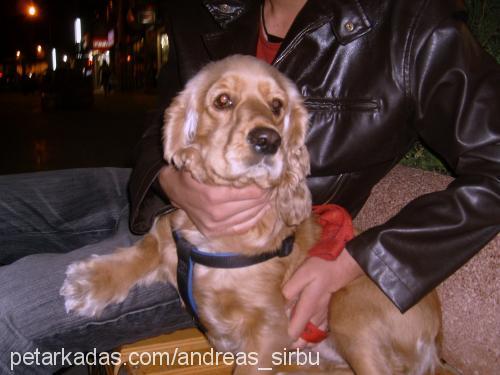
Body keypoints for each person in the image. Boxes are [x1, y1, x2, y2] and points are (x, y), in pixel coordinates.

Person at [1, 0, 499, 373]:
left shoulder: (409, 21)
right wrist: (174, 182)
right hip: (151, 198)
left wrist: (362, 260)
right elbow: (162, 119)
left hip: (234, 260)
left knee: (9, 311)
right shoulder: (209, 7)